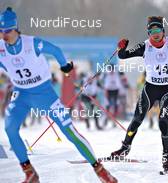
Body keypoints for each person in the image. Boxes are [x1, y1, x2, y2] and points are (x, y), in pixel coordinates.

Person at [0, 7, 117, 183]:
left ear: (15, 28)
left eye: (7, 31)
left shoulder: (32, 43)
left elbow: (55, 49)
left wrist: (64, 66)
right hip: (21, 94)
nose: (4, 35)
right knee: (9, 127)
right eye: (0, 32)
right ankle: (29, 172)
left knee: (70, 132)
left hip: (45, 94)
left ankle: (100, 171)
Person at [110, 16, 168, 172]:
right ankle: (125, 148)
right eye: (152, 31)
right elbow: (123, 56)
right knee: (137, 120)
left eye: (158, 30)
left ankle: (167, 156)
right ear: (148, 33)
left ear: (163, 31)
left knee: (162, 122)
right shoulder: (144, 47)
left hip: (167, 89)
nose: (156, 33)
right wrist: (121, 47)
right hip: (150, 89)